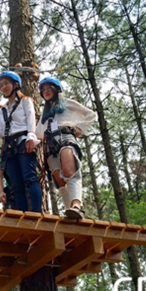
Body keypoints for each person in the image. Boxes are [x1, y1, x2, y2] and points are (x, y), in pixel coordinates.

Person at [36, 77, 96, 220]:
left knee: (70, 171)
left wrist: (78, 129)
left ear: (56, 89)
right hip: (50, 143)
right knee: (59, 178)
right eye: (43, 90)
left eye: (49, 88)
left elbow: (90, 114)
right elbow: (37, 134)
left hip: (65, 136)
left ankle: (76, 206)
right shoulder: (45, 115)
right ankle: (70, 211)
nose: (46, 91)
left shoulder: (66, 103)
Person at [0, 71, 42, 213]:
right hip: (9, 147)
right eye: (1, 85)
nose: (3, 87)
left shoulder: (25, 101)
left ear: (16, 85)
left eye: (6, 84)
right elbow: (3, 132)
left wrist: (30, 137)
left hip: (23, 141)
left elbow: (30, 120)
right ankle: (22, 214)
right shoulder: (2, 110)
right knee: (16, 184)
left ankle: (36, 212)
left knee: (30, 177)